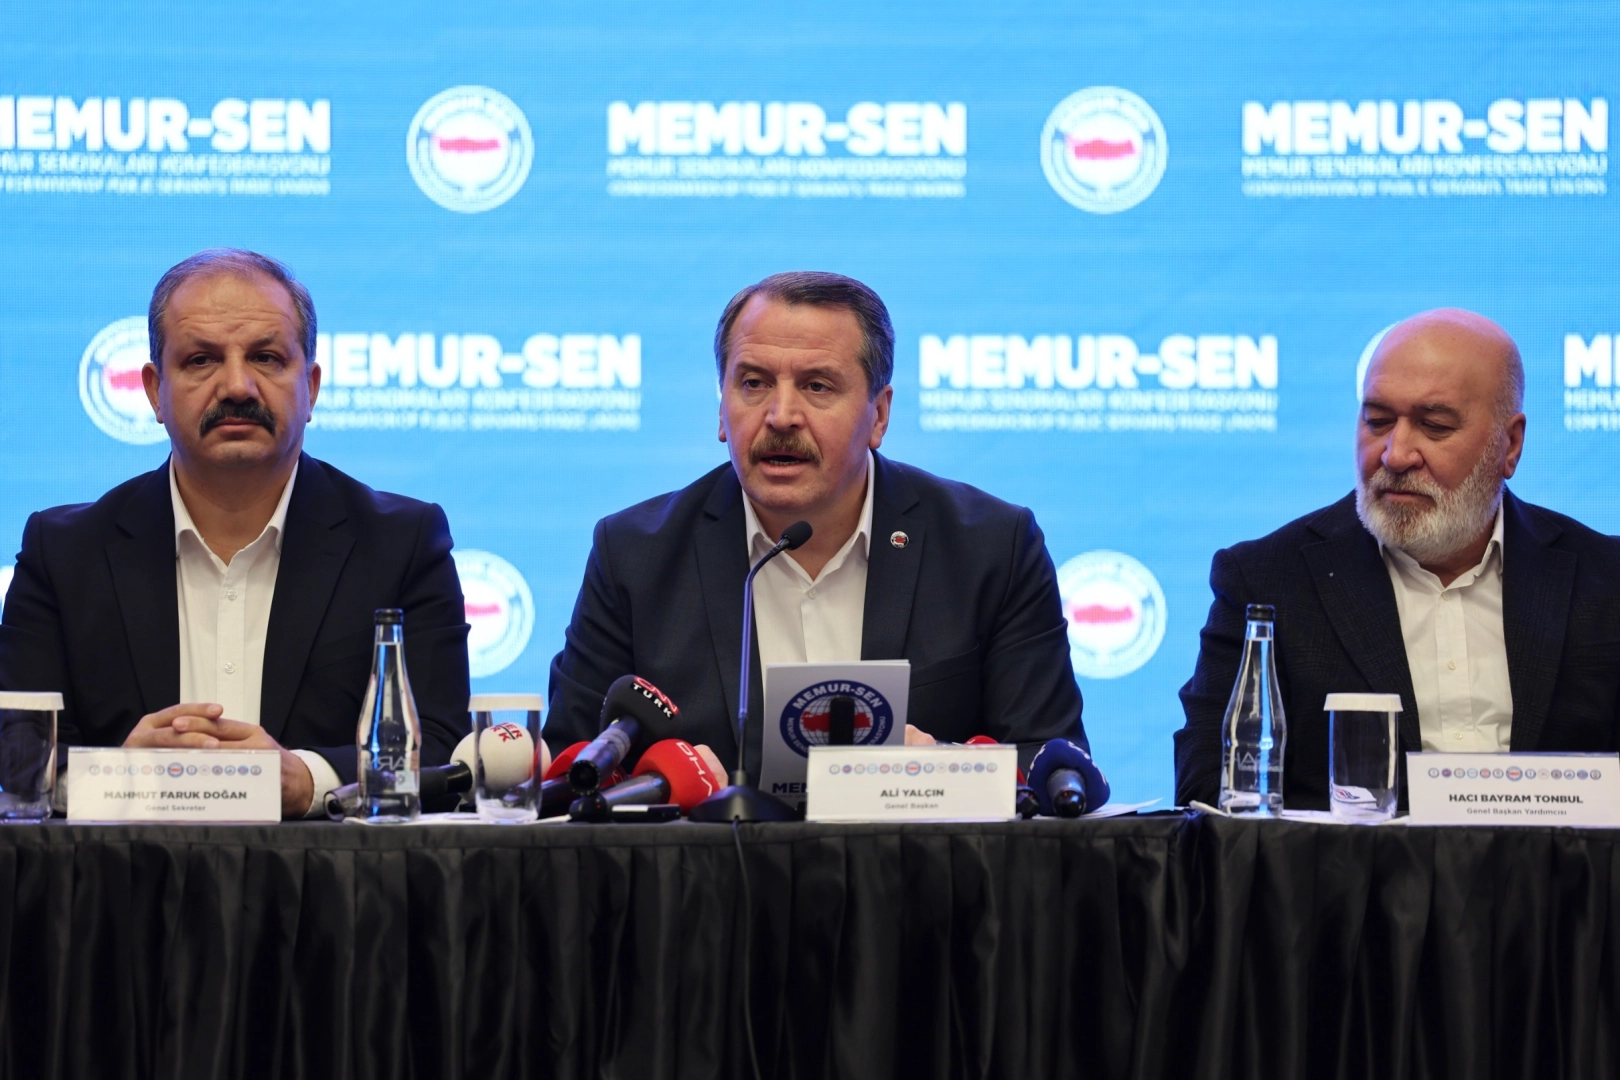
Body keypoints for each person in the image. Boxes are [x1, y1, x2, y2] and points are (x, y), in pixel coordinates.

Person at [547, 271, 1088, 774]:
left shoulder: (990, 547)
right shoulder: (635, 556)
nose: (781, 416)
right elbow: (572, 770)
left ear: (879, 415)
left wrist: (945, 767)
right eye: (753, 383)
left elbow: (1052, 763)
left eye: (817, 386)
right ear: (721, 409)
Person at [0, 249, 470, 818]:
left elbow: (443, 749)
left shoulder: (402, 544)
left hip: (329, 873)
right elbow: (17, 755)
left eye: (266, 358)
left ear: (311, 386)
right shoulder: (64, 553)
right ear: (154, 390)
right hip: (126, 872)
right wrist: (115, 777)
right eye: (201, 360)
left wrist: (308, 781)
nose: (238, 386)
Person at [1176, 308, 1620, 809]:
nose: (1395, 454)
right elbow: (1208, 799)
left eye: (1434, 425)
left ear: (1510, 444)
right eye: (1378, 421)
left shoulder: (1606, 581)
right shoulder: (1265, 583)